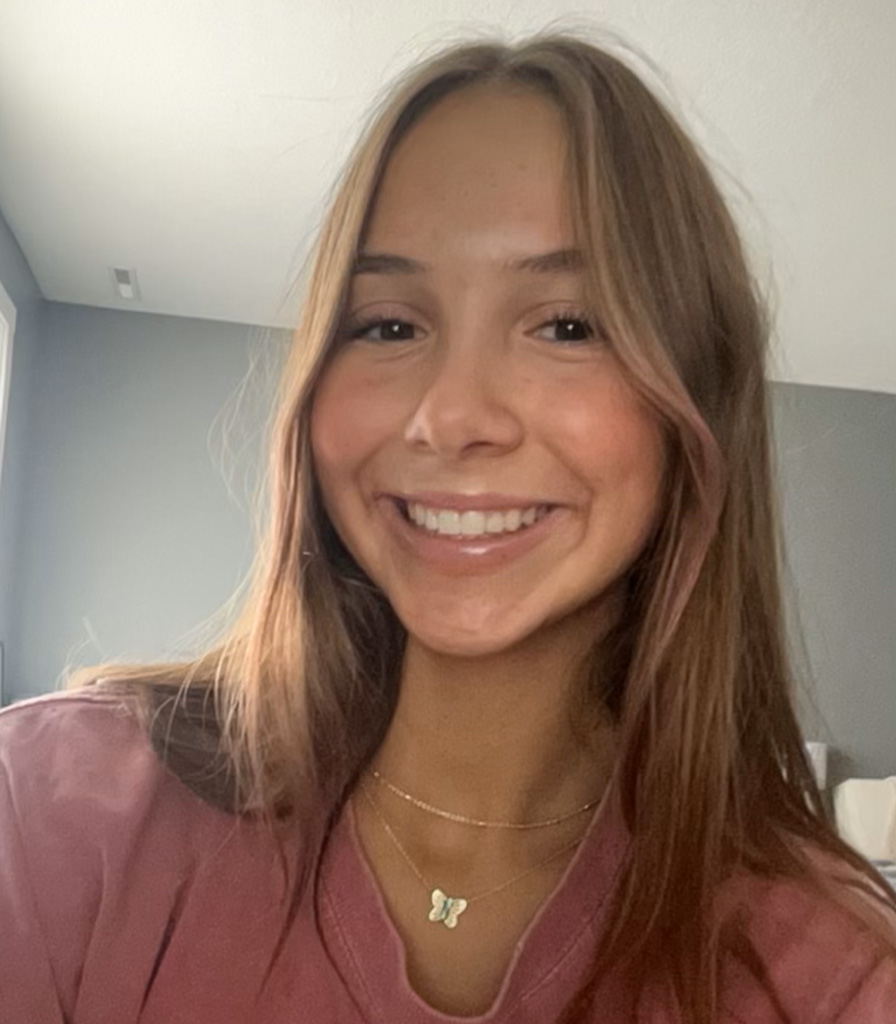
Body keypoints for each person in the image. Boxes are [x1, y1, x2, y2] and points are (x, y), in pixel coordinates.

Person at [1, 31, 894, 1024]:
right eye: (388, 323)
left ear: (690, 403)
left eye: (566, 325)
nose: (451, 416)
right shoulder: (51, 813)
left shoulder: (823, 975)